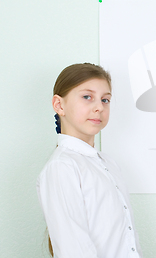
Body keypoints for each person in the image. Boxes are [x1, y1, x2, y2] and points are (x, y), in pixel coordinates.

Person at [37, 63, 142, 257]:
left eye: (105, 100)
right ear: (59, 105)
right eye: (87, 97)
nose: (99, 107)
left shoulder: (108, 164)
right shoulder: (62, 166)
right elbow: (73, 249)